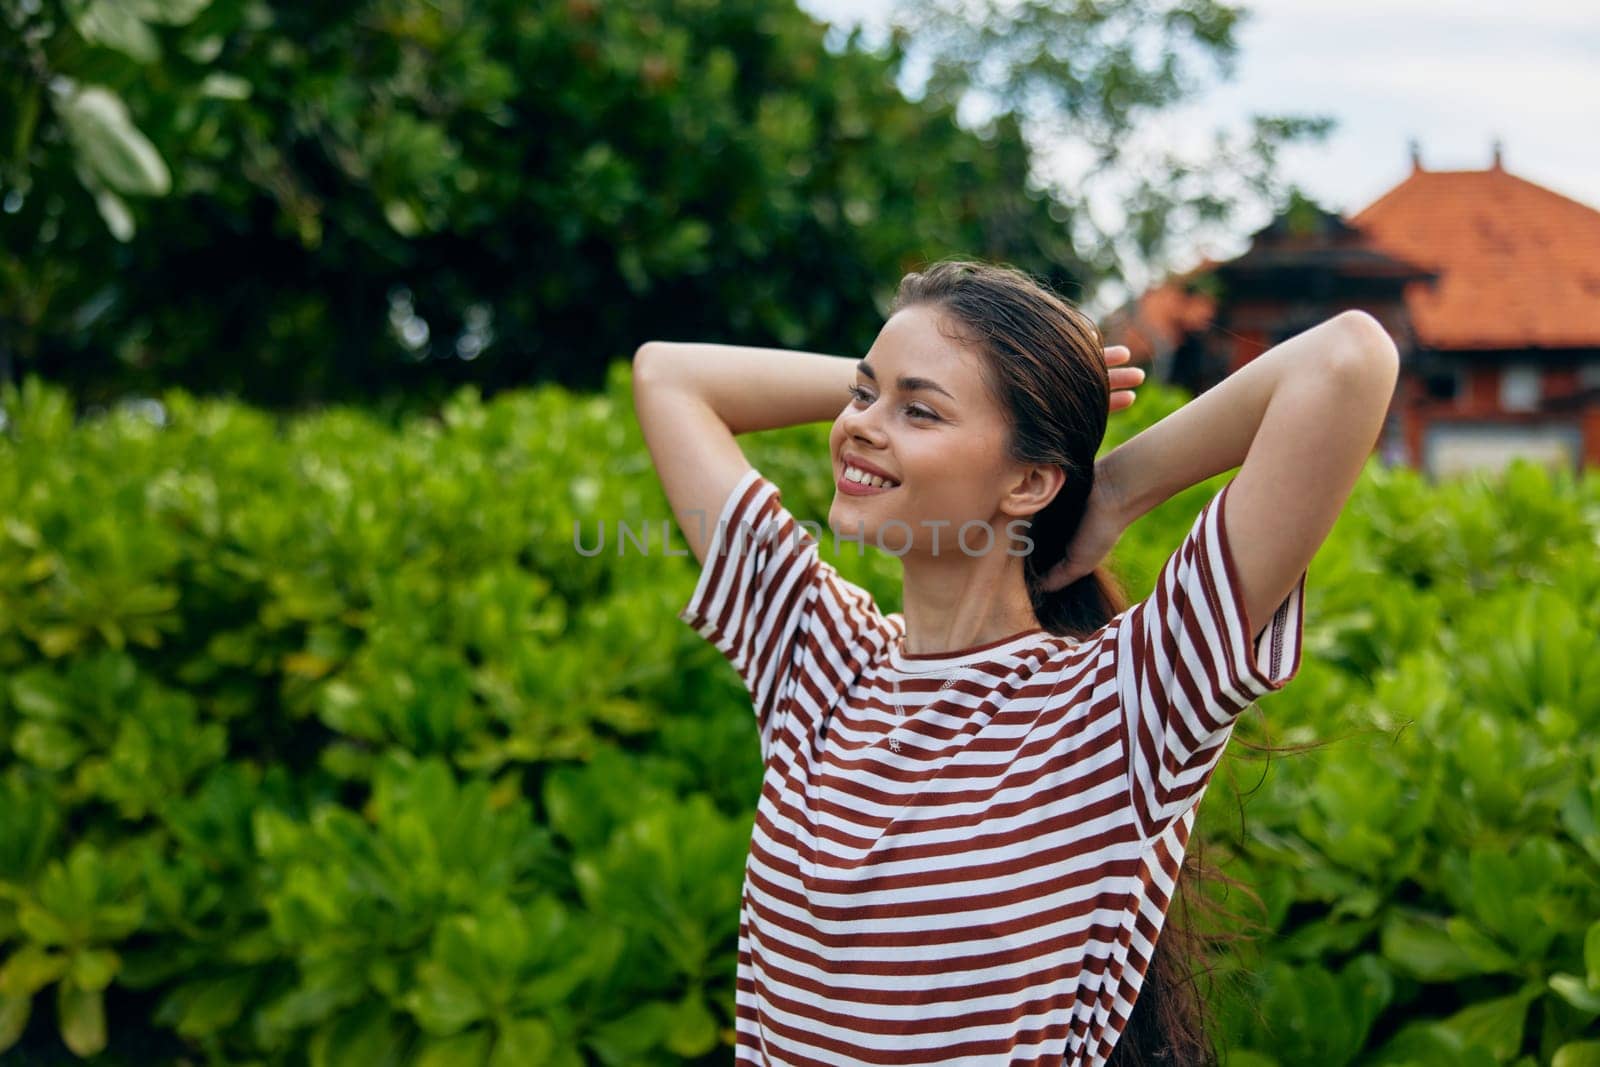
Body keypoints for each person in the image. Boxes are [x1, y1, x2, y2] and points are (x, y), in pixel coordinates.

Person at [630, 258, 1398, 1066]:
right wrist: (902, 378)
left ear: (1030, 480)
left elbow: (1347, 359)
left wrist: (1112, 489)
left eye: (921, 411)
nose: (859, 424)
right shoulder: (819, 659)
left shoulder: (1116, 705)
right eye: (863, 396)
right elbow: (669, 376)